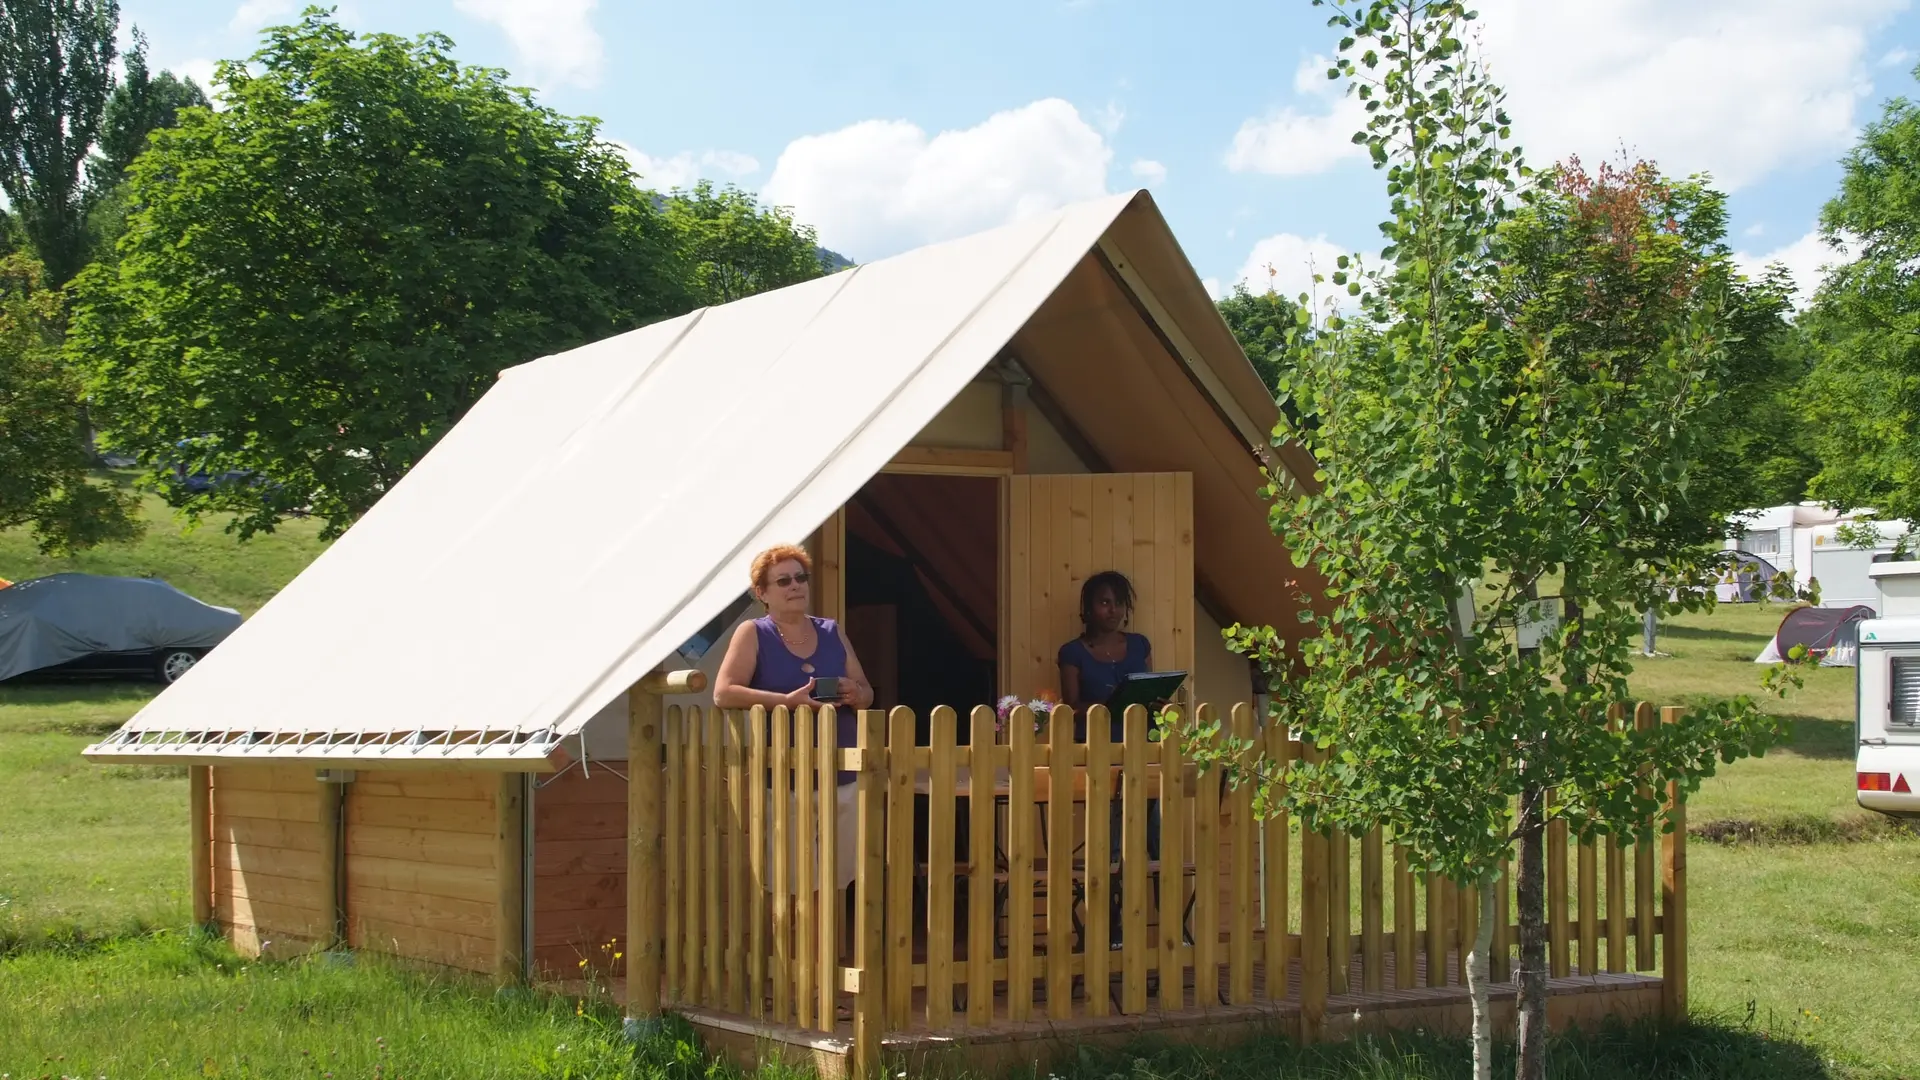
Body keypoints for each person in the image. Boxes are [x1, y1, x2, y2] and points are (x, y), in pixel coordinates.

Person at [713, 544, 874, 905]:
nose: (795, 586)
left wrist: (854, 692)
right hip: (787, 778)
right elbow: (723, 693)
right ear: (763, 593)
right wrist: (785, 702)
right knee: (793, 882)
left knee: (837, 881)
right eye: (783, 580)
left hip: (842, 775)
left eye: (800, 578)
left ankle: (831, 957)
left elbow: (867, 692)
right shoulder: (753, 633)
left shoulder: (831, 631)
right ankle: (800, 960)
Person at [1056, 570, 1160, 947]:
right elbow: (1071, 706)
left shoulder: (1139, 645)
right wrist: (1108, 705)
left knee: (1157, 843)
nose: (1112, 609)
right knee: (1111, 846)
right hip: (1100, 758)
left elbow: (1149, 691)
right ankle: (1111, 928)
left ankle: (1167, 929)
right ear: (1088, 608)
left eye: (1118, 602)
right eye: (1103, 602)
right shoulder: (1072, 652)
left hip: (1144, 755)